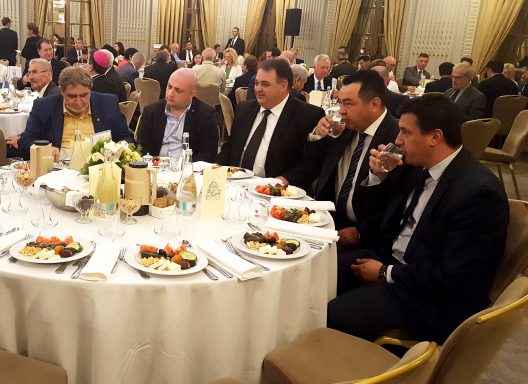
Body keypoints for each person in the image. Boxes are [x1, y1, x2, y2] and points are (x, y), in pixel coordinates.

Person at [328, 95, 507, 343]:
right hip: (391, 258)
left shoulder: (477, 193)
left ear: (435, 137)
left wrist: (386, 272)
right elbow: (382, 216)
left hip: (428, 295)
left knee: (333, 315)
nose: (397, 141)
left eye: (405, 132)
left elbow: (457, 278)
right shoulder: (417, 166)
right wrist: (378, 177)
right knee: (320, 274)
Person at [300, 70, 399, 240]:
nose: (341, 111)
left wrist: (361, 232)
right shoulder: (343, 127)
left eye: (348, 104)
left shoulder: (396, 138)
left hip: (367, 234)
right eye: (340, 103)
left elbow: (397, 202)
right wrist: (317, 134)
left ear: (374, 104)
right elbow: (312, 163)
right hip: (326, 219)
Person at [217, 59, 323, 184]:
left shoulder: (307, 115)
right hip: (236, 183)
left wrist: (282, 181)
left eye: (265, 84)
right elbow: (230, 147)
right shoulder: (245, 109)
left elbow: (311, 164)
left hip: (277, 188)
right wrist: (216, 167)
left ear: (283, 85)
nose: (258, 89)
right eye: (256, 83)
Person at [16, 67, 133, 160]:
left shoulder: (107, 103)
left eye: (84, 95)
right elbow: (25, 141)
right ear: (62, 92)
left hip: (97, 167)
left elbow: (127, 138)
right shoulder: (44, 106)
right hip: (57, 169)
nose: (78, 102)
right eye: (72, 96)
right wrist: (45, 149)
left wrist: (118, 148)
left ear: (91, 89)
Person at [137, 68, 218, 162]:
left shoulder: (205, 115)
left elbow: (208, 153)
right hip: (155, 166)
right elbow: (142, 147)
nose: (170, 93)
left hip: (188, 168)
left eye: (178, 90)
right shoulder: (151, 112)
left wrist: (186, 167)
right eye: (169, 87)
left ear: (192, 94)